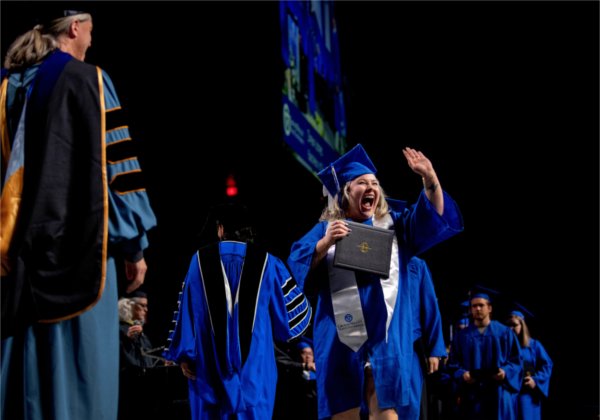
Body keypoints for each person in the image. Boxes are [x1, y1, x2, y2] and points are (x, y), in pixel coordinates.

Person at [0, 10, 157, 420]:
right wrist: (134, 247)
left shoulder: (6, 88)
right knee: (81, 391)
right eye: (90, 30)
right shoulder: (90, 80)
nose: (91, 39)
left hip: (16, 269)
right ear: (74, 27)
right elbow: (117, 174)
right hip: (82, 257)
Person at [287, 144, 463, 419]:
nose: (371, 187)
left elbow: (431, 219)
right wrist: (325, 243)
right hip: (340, 338)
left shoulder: (395, 228)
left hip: (386, 337)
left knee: (385, 406)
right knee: (344, 409)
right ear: (346, 191)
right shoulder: (326, 229)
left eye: (374, 183)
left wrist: (430, 179)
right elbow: (296, 267)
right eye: (361, 182)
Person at [162, 203, 312, 419]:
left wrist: (185, 356)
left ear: (220, 229)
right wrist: (303, 344)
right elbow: (289, 321)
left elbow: (186, 316)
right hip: (256, 369)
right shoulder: (268, 262)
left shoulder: (198, 260)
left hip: (207, 369)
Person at [447, 292, 523, 420]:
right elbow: (453, 364)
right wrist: (462, 374)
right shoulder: (461, 336)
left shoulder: (504, 333)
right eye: (474, 306)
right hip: (472, 396)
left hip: (498, 392)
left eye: (481, 305)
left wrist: (505, 372)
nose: (477, 309)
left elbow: (516, 361)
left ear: (489, 308)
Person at [394, 256, 447, 420]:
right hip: (377, 342)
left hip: (409, 346)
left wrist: (434, 350)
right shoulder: (369, 255)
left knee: (409, 405)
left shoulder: (415, 265)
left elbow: (430, 306)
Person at [118, 291, 159, 419]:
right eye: (142, 305)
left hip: (145, 388)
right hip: (128, 388)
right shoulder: (118, 330)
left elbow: (147, 358)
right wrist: (126, 339)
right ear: (128, 305)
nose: (146, 310)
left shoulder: (141, 333)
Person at [506, 310, 553, 420]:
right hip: (509, 394)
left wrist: (535, 380)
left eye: (514, 325)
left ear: (522, 325)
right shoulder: (504, 347)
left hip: (527, 395)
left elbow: (547, 365)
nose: (511, 329)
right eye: (508, 325)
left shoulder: (533, 345)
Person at [273, 337, 318, 420]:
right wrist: (304, 366)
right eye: (304, 353)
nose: (308, 356)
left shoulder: (317, 376)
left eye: (310, 354)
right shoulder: (291, 371)